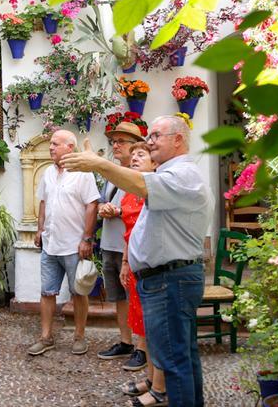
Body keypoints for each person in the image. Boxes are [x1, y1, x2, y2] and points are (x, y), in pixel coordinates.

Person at [61, 116, 212, 407]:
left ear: (178, 140)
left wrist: (100, 164)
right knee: (180, 356)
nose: (150, 140)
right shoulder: (173, 173)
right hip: (166, 278)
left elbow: (141, 184)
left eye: (156, 135)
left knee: (174, 359)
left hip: (170, 279)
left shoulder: (181, 175)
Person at [27, 130, 100, 357]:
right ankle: (46, 337)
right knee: (47, 292)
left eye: (56, 144)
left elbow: (92, 205)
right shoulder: (48, 172)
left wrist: (87, 238)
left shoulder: (83, 173)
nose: (51, 147)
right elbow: (43, 203)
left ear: (70, 147)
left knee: (78, 292)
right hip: (50, 244)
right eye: (50, 143)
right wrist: (40, 230)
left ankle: (79, 337)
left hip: (74, 245)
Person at [95, 121, 148, 372]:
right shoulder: (111, 173)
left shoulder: (142, 174)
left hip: (133, 247)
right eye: (113, 141)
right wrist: (103, 209)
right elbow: (102, 202)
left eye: (121, 142)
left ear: (135, 146)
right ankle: (125, 342)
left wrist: (118, 210)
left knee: (137, 297)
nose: (115, 145)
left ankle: (142, 348)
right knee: (118, 296)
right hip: (110, 243)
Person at [119, 142, 167, 407]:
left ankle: (159, 387)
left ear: (155, 162)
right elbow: (132, 231)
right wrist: (126, 261)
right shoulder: (130, 189)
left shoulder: (155, 189)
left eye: (141, 154)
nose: (134, 157)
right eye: (133, 154)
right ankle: (150, 379)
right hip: (136, 263)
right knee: (141, 323)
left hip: (153, 264)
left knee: (155, 327)